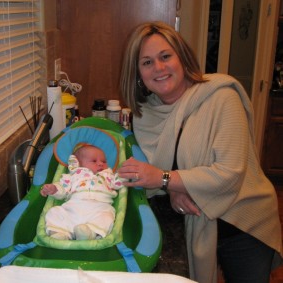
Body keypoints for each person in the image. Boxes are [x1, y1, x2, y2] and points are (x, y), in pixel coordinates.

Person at [117, 21, 283, 283]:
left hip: (241, 223)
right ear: (138, 73)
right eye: (147, 62)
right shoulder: (146, 114)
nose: (158, 68)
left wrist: (164, 179)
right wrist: (172, 187)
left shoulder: (221, 97)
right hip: (199, 222)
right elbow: (169, 163)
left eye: (165, 56)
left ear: (182, 57)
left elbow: (229, 173)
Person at [40, 143, 125, 241]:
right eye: (94, 161)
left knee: (107, 216)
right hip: (74, 208)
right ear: (78, 163)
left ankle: (90, 233)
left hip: (99, 208)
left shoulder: (108, 176)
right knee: (54, 212)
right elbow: (63, 189)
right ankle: (61, 233)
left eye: (104, 161)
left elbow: (118, 183)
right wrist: (54, 189)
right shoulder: (73, 176)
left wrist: (123, 174)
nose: (100, 163)